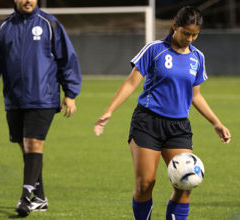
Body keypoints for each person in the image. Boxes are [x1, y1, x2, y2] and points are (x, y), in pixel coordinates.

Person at [94, 6, 231, 220]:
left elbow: (196, 95)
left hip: (178, 127)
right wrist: (109, 111)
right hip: (147, 122)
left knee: (186, 184)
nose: (190, 39)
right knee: (145, 184)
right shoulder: (155, 49)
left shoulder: (197, 57)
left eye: (195, 34)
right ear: (175, 26)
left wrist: (216, 123)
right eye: (186, 33)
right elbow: (131, 83)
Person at [0, 0, 81, 217]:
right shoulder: (2, 28)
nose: (28, 0)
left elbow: (67, 59)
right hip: (14, 99)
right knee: (25, 148)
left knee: (33, 143)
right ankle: (40, 197)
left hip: (44, 97)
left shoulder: (50, 24)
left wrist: (70, 94)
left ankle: (25, 198)